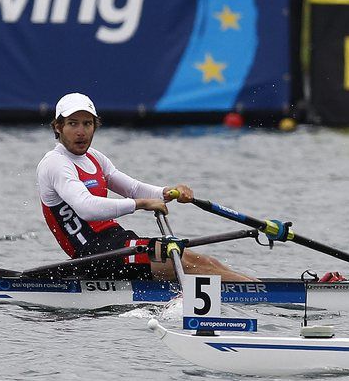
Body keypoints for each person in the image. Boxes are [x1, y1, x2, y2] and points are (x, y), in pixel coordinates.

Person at [36, 92, 255, 282]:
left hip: (116, 242)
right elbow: (86, 208)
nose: (81, 131)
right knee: (192, 266)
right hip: (93, 255)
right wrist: (141, 204)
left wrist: (166, 192)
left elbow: (132, 188)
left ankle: (258, 285)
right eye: (73, 123)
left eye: (87, 123)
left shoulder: (95, 158)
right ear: (58, 127)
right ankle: (261, 294)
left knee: (202, 260)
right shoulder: (55, 163)